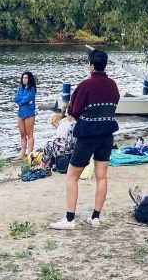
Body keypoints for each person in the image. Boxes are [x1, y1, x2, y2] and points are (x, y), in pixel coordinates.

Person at [49, 48, 120, 230]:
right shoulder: (113, 85)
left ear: (92, 66)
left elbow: (74, 111)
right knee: (102, 177)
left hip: (88, 135)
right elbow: (115, 104)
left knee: (72, 176)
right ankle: (95, 216)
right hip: (106, 135)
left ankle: (70, 218)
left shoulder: (85, 85)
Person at [14, 71, 38, 160]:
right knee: (22, 134)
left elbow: (28, 98)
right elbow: (16, 99)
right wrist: (23, 101)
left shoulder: (32, 89)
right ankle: (22, 153)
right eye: (23, 78)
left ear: (29, 79)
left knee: (29, 134)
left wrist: (22, 100)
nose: (24, 80)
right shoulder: (20, 88)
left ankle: (29, 154)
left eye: (26, 78)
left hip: (29, 113)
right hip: (21, 113)